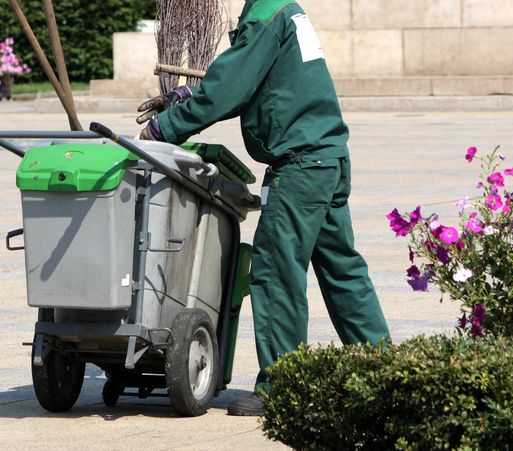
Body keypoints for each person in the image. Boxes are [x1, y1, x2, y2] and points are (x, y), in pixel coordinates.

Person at [137, 0, 391, 416]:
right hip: (327, 156)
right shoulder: (285, 11)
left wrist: (165, 128)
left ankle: (284, 384)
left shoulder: (263, 18)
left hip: (300, 165)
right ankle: (385, 367)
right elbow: (252, 81)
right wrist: (188, 95)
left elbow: (229, 88)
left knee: (273, 270)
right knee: (343, 270)